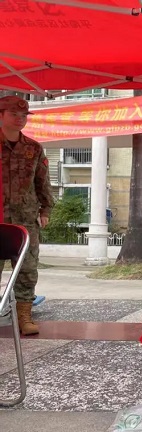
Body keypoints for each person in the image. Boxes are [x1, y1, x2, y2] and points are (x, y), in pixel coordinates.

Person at [0, 95, 54, 335]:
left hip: (25, 218)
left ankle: (24, 317)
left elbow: (42, 182)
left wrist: (46, 209)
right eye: (14, 114)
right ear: (1, 115)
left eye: (23, 116)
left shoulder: (34, 148)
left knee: (27, 268)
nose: (20, 119)